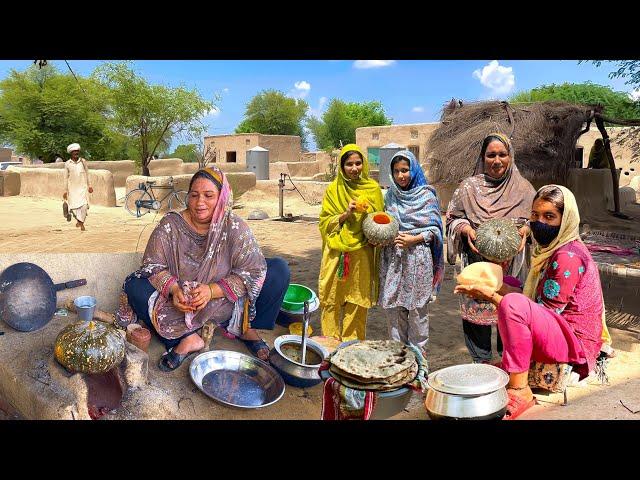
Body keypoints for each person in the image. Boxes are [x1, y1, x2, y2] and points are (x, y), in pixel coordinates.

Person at [115, 166, 290, 371]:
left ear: (221, 197)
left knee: (278, 270)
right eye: (194, 195)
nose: (200, 203)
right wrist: (174, 291)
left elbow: (252, 270)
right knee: (135, 285)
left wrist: (211, 291)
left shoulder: (233, 226)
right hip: (183, 302)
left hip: (222, 298)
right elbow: (153, 266)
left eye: (209, 195)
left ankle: (245, 328)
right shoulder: (170, 225)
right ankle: (188, 338)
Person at [455, 185, 604, 419]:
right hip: (558, 330)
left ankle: (519, 388)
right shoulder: (553, 250)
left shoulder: (568, 257)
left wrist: (493, 297)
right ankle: (513, 369)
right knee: (510, 286)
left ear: (565, 220)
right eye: (534, 215)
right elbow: (533, 301)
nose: (539, 222)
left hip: (574, 343)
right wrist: (495, 286)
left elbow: (537, 311)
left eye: (549, 216)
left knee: (512, 303)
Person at [446, 133, 536, 364]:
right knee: (477, 313)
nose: (497, 160)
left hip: (512, 267)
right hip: (478, 264)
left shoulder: (524, 189)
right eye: (491, 155)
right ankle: (482, 364)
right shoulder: (468, 188)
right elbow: (453, 218)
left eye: (502, 154)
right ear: (482, 158)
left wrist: (527, 229)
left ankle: (510, 365)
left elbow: (536, 220)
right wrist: (466, 229)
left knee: (511, 313)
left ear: (511, 157)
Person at [378, 150, 444, 357]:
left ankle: (418, 363)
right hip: (394, 261)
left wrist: (414, 239)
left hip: (418, 260)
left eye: (405, 170)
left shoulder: (426, 195)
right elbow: (385, 224)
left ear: (413, 170)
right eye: (396, 171)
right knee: (395, 310)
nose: (401, 176)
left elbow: (435, 231)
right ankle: (399, 359)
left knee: (417, 312)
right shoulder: (390, 195)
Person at [318, 144, 384, 341]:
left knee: (357, 300)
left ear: (363, 164)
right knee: (331, 299)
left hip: (362, 252)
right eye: (349, 164)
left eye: (358, 163)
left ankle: (351, 347)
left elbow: (380, 221)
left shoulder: (373, 189)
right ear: (342, 166)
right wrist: (346, 213)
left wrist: (369, 210)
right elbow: (324, 223)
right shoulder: (333, 189)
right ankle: (330, 346)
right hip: (336, 252)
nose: (354, 168)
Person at [63, 143, 93, 231]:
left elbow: (88, 173)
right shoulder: (67, 164)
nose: (76, 153)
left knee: (84, 206)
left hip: (82, 187)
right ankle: (79, 221)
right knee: (74, 207)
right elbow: (65, 178)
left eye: (77, 151)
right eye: (74, 151)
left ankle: (81, 222)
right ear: (71, 153)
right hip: (72, 189)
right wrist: (65, 191)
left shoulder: (83, 162)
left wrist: (90, 185)